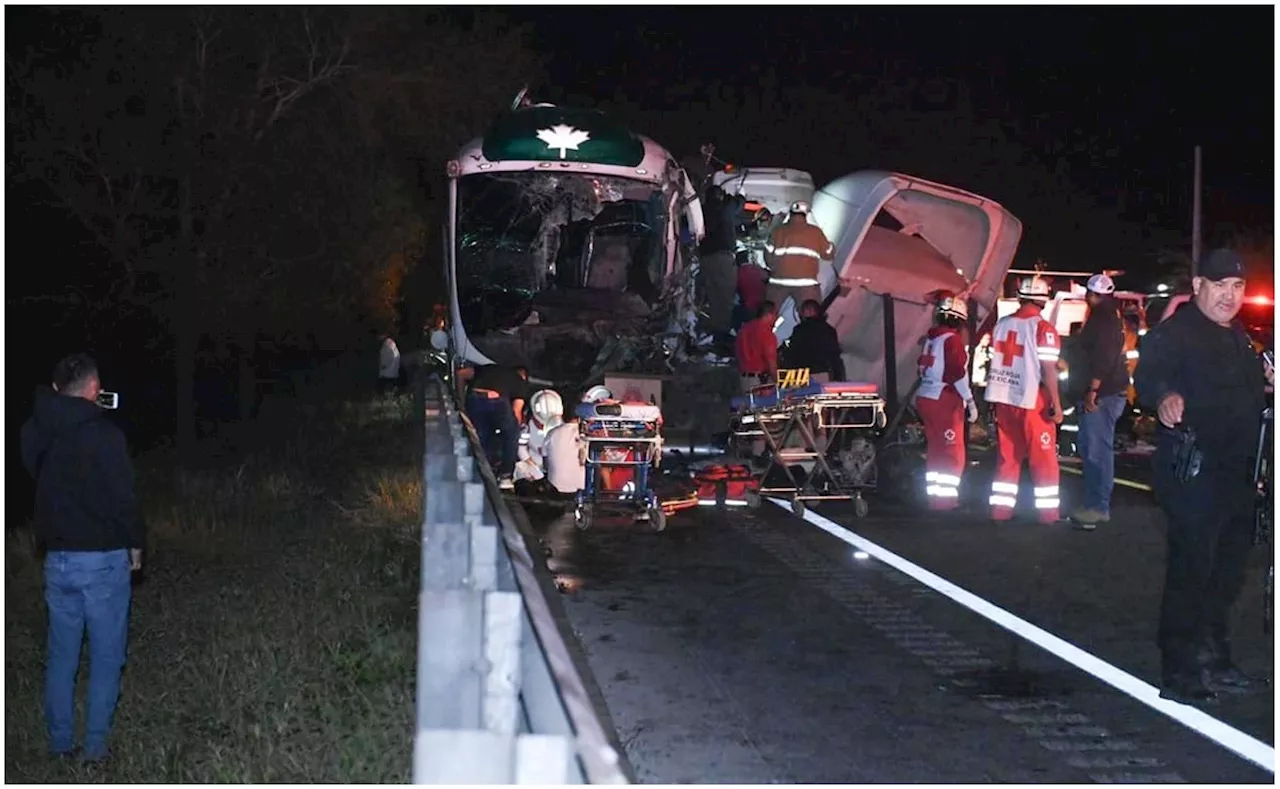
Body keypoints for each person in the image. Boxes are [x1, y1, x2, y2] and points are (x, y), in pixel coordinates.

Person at [1134, 247, 1271, 704]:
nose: (1228, 296)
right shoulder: (1175, 334)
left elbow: (1252, 402)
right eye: (1219, 286)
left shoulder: (1236, 340)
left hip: (1236, 478)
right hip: (1193, 476)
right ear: (1198, 287)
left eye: (1236, 288)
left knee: (1228, 574)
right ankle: (1179, 669)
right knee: (1191, 571)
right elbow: (1149, 377)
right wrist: (1165, 396)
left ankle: (1213, 653)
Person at [19, 353, 145, 763]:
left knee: (62, 655)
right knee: (107, 656)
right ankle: (93, 750)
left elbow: (34, 468)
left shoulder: (36, 432)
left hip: (58, 560)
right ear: (94, 391)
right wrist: (135, 543)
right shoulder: (105, 436)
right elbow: (124, 498)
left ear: (57, 390)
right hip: (103, 560)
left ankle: (60, 746)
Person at [982, 277, 1064, 523]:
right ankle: (1048, 515)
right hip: (1032, 400)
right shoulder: (1043, 328)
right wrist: (1057, 405)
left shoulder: (1003, 324)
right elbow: (1048, 370)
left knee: (1008, 457)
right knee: (1044, 459)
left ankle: (1000, 511)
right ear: (1043, 299)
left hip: (1003, 398)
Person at [1068, 273, 1130, 529]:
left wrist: (1093, 389)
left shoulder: (1103, 320)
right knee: (1093, 448)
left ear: (1092, 295)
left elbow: (1103, 357)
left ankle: (1097, 507)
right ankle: (1094, 503)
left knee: (1096, 451)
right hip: (1106, 392)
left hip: (1103, 394)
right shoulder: (1109, 317)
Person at [915, 294, 979, 510]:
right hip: (944, 399)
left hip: (926, 396)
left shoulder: (932, 338)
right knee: (952, 451)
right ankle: (947, 500)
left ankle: (935, 497)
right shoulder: (952, 340)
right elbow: (956, 373)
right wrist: (970, 401)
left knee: (935, 449)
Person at [464, 364, 530, 490]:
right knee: (511, 434)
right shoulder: (520, 381)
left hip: (474, 397)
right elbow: (517, 411)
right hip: (495, 398)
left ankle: (482, 470)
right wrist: (518, 426)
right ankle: (505, 476)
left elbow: (460, 373)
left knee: (482, 436)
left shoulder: (490, 368)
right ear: (523, 375)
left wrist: (460, 399)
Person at [763, 201, 835, 314]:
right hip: (805, 285)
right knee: (812, 319)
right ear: (806, 214)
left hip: (778, 282)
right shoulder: (815, 232)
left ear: (791, 214)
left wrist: (778, 269)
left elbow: (768, 258)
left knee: (768, 315)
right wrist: (831, 245)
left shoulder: (778, 231)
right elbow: (828, 254)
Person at [735, 300, 779, 458]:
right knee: (764, 418)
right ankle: (758, 454)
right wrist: (779, 381)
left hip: (744, 377)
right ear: (770, 314)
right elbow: (770, 361)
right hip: (760, 381)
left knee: (747, 416)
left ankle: (742, 451)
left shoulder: (744, 330)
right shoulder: (767, 334)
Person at [697, 186, 739, 338]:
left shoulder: (701, 210)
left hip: (706, 258)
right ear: (719, 196)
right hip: (722, 258)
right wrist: (736, 196)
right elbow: (737, 204)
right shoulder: (723, 208)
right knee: (726, 296)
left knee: (714, 295)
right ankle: (722, 333)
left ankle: (715, 328)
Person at [780, 299, 845, 383]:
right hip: (825, 372)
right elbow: (834, 354)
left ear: (809, 311)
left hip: (803, 374)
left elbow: (793, 352)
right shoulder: (829, 330)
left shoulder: (800, 330)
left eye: (803, 311)